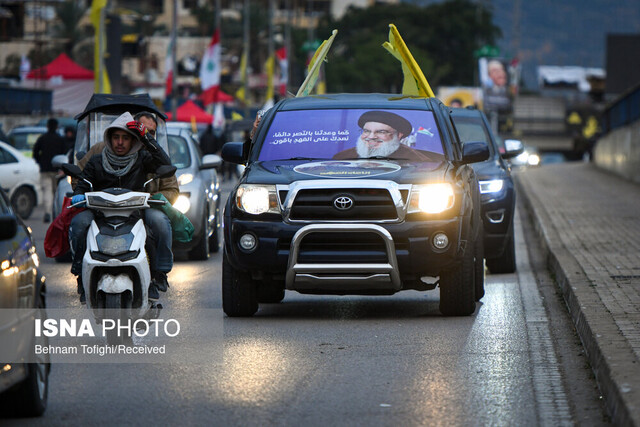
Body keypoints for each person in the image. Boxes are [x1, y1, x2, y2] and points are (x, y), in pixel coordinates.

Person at [69, 112, 173, 304]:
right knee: (78, 224)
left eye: (125, 138)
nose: (120, 142)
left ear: (133, 141)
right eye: (116, 137)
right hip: (100, 214)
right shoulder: (96, 160)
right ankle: (80, 276)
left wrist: (146, 137)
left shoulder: (143, 158)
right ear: (109, 138)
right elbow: (82, 184)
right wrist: (78, 194)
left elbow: (165, 164)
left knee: (158, 224)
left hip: (135, 213)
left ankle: (157, 274)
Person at [333, 111, 442, 161]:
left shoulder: (416, 160)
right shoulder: (341, 158)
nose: (371, 137)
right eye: (366, 131)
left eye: (381, 132)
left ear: (399, 135)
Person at [32, 118, 66, 222]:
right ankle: (57, 214)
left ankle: (47, 212)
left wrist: (40, 162)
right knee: (57, 193)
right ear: (56, 127)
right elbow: (64, 154)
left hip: (45, 169)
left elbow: (35, 152)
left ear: (47, 126)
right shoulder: (60, 139)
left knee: (47, 192)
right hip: (58, 170)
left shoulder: (42, 138)